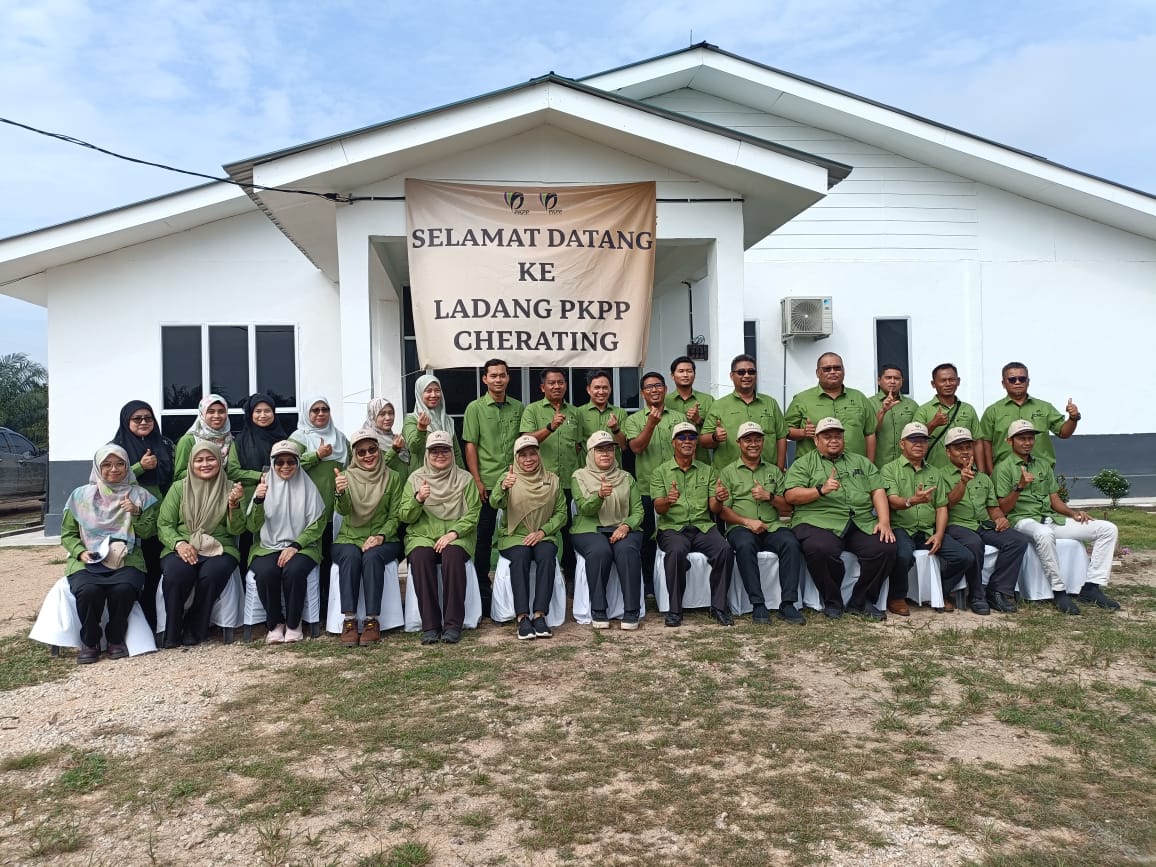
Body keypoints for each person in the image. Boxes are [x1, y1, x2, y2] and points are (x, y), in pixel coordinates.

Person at [994, 420, 1119, 615]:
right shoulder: (1003, 468)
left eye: (1030, 438)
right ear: (1010, 441)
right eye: (1021, 438)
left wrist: (1073, 513)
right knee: (1043, 534)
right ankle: (1059, 591)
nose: (1027, 442)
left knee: (1107, 528)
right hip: (1022, 520)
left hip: (1050, 518)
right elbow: (1002, 508)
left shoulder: (1042, 464)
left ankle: (1091, 587)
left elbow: (1054, 500)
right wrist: (1019, 486)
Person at [784, 417, 896, 620]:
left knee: (885, 546)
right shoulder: (804, 464)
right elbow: (791, 495)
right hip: (818, 519)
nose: (833, 440)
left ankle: (861, 601)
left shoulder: (861, 461)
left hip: (859, 519)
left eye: (838, 436)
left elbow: (878, 490)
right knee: (820, 548)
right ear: (816, 440)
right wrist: (821, 490)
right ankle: (833, 601)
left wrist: (884, 521)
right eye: (827, 436)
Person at [59, 445, 159, 663]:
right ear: (97, 467)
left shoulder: (140, 496)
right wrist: (80, 552)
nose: (114, 469)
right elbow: (67, 534)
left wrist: (136, 512)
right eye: (106, 464)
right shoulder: (80, 496)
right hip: (88, 559)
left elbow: (149, 532)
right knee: (88, 591)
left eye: (120, 464)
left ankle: (115, 638)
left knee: (123, 589)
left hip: (127, 557)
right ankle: (90, 641)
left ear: (127, 466)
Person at [881, 422, 978, 615]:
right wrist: (912, 501)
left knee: (964, 557)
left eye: (923, 440)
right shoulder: (889, 469)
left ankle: (939, 590)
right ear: (902, 444)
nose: (919, 444)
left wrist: (940, 535)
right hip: (901, 527)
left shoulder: (935, 472)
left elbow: (941, 506)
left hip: (927, 529)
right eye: (913, 440)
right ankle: (897, 596)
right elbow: (892, 501)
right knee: (902, 555)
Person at [157, 442, 247, 647]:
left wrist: (234, 505)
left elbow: (237, 530)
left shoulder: (232, 488)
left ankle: (194, 626)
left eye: (210, 459)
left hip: (220, 547)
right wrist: (179, 544)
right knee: (178, 574)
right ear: (191, 463)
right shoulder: (179, 487)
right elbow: (164, 524)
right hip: (182, 545)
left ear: (219, 461)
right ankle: (172, 629)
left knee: (212, 574)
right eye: (199, 460)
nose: (205, 464)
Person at [717, 422, 806, 626]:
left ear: (763, 442)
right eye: (748, 440)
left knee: (791, 543)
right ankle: (757, 604)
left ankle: (788, 603)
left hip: (772, 526)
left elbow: (787, 508)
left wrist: (769, 496)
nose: (753, 444)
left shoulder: (774, 471)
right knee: (744, 545)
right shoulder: (728, 472)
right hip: (741, 527)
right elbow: (723, 511)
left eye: (757, 439)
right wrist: (747, 521)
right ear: (739, 443)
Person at [399, 430, 481, 644]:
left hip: (457, 535)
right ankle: (431, 625)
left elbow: (473, 513)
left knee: (452, 557)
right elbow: (405, 516)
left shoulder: (465, 479)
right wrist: (418, 499)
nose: (439, 455)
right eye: (434, 451)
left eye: (444, 449)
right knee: (420, 558)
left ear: (452, 452)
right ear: (427, 454)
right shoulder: (415, 479)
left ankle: (453, 625)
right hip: (423, 535)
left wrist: (453, 533)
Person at [651, 422, 734, 627]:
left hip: (702, 526)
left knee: (724, 549)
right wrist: (668, 501)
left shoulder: (708, 471)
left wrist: (720, 499)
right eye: (682, 437)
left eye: (691, 437)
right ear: (673, 442)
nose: (687, 441)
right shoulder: (660, 472)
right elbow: (658, 508)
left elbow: (714, 509)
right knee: (677, 552)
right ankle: (675, 610)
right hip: (673, 528)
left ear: (696, 442)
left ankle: (719, 607)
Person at [940, 427, 1030, 614]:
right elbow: (946, 505)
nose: (964, 451)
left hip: (982, 524)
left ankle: (996, 591)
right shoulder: (940, 475)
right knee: (974, 543)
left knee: (1018, 540)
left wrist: (1000, 518)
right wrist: (962, 482)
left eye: (968, 447)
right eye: (958, 448)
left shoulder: (983, 478)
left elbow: (992, 508)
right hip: (956, 525)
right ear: (948, 452)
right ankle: (976, 595)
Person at [246, 440, 327, 644]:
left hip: (303, 547)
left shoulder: (308, 487)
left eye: (290, 461)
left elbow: (318, 524)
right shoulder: (264, 488)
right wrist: (258, 501)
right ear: (272, 464)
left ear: (298, 463)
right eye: (279, 462)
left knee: (295, 571)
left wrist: (295, 546)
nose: (285, 466)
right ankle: (275, 624)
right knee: (266, 572)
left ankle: (294, 623)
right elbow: (252, 527)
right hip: (267, 546)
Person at [333, 427, 406, 646]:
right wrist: (340, 493)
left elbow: (396, 515)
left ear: (379, 450)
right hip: (349, 537)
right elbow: (343, 511)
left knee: (372, 556)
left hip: (384, 538)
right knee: (351, 556)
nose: (368, 456)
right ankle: (349, 620)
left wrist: (381, 536)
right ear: (355, 455)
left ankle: (372, 621)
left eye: (372, 450)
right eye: (361, 452)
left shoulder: (392, 477)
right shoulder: (345, 477)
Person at [463, 359, 524, 615]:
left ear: (508, 378)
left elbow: (523, 443)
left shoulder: (519, 407)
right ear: (484, 379)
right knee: (483, 538)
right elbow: (470, 445)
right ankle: (482, 587)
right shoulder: (474, 408)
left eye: (502, 375)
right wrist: (476, 480)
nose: (498, 380)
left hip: (515, 481)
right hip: (487, 482)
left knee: (515, 531)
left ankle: (512, 585)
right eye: (493, 376)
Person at [491, 435, 567, 640]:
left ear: (539, 455)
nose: (528, 459)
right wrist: (503, 488)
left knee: (546, 555)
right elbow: (494, 503)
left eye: (532, 453)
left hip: (543, 534)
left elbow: (561, 514)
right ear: (516, 458)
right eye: (522, 455)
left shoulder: (552, 480)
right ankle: (522, 617)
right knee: (521, 557)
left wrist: (542, 532)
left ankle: (540, 615)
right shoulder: (508, 477)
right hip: (515, 536)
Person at [111, 399, 174, 631]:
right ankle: (138, 624)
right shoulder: (116, 447)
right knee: (138, 568)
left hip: (162, 512)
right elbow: (108, 478)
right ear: (126, 421)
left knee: (159, 567)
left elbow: (174, 477)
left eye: (148, 418)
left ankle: (160, 620)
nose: (144, 422)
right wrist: (139, 467)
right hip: (129, 515)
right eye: (137, 419)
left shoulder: (165, 444)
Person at [571, 431, 645, 630]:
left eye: (610, 450)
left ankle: (631, 611)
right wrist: (599, 496)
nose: (606, 454)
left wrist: (625, 525)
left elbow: (638, 510)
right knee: (599, 551)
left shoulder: (626, 477)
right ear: (590, 454)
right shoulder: (579, 476)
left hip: (623, 527)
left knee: (626, 550)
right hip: (589, 528)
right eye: (600, 450)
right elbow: (584, 508)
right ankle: (598, 609)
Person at [290, 395, 350, 613]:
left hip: (335, 507)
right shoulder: (298, 438)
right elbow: (288, 466)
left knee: (330, 556)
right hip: (307, 508)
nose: (321, 414)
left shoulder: (340, 439)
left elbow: (352, 467)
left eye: (325, 409)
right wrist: (316, 455)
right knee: (312, 554)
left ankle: (330, 607)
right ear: (307, 413)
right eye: (315, 410)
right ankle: (310, 608)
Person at [520, 367, 581, 574]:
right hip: (541, 483)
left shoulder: (574, 412)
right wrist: (550, 427)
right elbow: (526, 441)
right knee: (541, 529)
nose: (557, 386)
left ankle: (570, 574)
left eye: (561, 382)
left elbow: (578, 446)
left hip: (569, 481)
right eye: (552, 383)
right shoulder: (532, 410)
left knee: (570, 530)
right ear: (542, 387)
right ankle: (542, 572)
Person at [623, 371, 680, 594]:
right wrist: (650, 424)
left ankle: (671, 580)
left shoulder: (678, 418)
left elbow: (687, 448)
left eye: (658, 385)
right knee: (646, 539)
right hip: (647, 488)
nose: (654, 390)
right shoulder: (634, 419)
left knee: (676, 534)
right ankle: (648, 583)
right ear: (642, 393)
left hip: (677, 488)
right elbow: (636, 448)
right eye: (649, 387)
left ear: (666, 389)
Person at [976, 362, 1080, 474]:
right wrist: (992, 474)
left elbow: (1064, 433)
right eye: (1012, 379)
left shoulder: (1044, 407)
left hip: (1040, 474)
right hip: (1005, 476)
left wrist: (1073, 418)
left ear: (1028, 382)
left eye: (1022, 379)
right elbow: (985, 445)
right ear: (1003, 383)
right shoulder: (993, 411)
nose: (1017, 382)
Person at [701, 354, 788, 470]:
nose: (747, 375)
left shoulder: (770, 403)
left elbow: (781, 437)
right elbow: (703, 441)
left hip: (766, 475)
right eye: (741, 372)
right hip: (730, 477)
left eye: (751, 372)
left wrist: (780, 469)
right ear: (732, 376)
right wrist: (715, 437)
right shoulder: (719, 405)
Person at [786, 353, 876, 461]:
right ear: (817, 373)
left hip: (854, 469)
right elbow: (785, 431)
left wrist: (869, 465)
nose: (833, 372)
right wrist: (803, 433)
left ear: (844, 371)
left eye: (837, 368)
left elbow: (870, 433)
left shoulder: (859, 398)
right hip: (814, 469)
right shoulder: (802, 399)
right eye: (827, 369)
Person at [233, 393, 287, 569]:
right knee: (248, 542)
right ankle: (247, 589)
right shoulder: (240, 441)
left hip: (280, 498)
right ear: (250, 414)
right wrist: (259, 476)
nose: (263, 415)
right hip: (250, 499)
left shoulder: (282, 438)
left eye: (267, 411)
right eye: (258, 411)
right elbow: (233, 471)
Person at [913, 363, 980, 469]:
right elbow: (915, 441)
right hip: (934, 470)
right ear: (933, 384)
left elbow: (977, 442)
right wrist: (933, 424)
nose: (948, 384)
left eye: (952, 379)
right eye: (943, 380)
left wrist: (981, 471)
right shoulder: (923, 410)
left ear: (958, 381)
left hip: (966, 470)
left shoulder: (968, 409)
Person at [173, 394, 245, 482]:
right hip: (195, 492)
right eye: (211, 412)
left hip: (223, 491)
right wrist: (206, 471)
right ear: (202, 414)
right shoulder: (189, 440)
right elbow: (179, 475)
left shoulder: (229, 440)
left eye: (221, 411)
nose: (217, 416)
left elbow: (233, 473)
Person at [403, 373, 464, 468]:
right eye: (428, 391)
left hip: (448, 476)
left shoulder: (447, 420)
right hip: (423, 477)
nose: (434, 395)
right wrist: (421, 429)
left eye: (437, 390)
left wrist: (462, 475)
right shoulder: (412, 419)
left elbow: (456, 452)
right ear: (419, 393)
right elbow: (414, 448)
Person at [868, 364, 919, 469]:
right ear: (879, 381)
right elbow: (869, 432)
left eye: (897, 378)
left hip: (906, 465)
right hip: (879, 465)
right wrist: (883, 411)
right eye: (888, 378)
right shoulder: (869, 403)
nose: (892, 381)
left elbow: (917, 435)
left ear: (902, 381)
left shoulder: (912, 405)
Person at [666, 355, 714, 464]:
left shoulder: (708, 400)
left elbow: (715, 432)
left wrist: (699, 421)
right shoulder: (665, 401)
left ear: (694, 375)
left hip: (700, 460)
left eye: (689, 371)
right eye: (681, 371)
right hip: (670, 460)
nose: (685, 375)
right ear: (672, 376)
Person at [576, 369, 629, 457]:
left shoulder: (620, 413)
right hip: (587, 468)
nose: (601, 392)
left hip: (613, 468)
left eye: (605, 387)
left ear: (610, 389)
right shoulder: (578, 412)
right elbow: (575, 446)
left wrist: (615, 429)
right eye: (597, 387)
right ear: (588, 389)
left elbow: (623, 446)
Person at [366, 397, 411, 476]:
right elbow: (374, 470)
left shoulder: (396, 439)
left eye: (391, 413)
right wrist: (394, 450)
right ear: (372, 416)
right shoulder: (367, 441)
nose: (388, 418)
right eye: (382, 414)